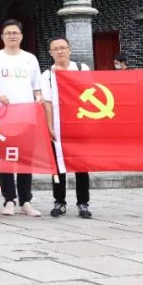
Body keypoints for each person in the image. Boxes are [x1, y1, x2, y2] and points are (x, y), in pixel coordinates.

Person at [0, 18, 43, 217]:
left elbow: (37, 88)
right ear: (2, 36)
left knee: (25, 159)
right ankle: (9, 199)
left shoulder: (30, 59)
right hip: (4, 116)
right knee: (6, 159)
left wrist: (38, 98)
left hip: (26, 117)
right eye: (8, 33)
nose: (12, 36)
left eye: (15, 33)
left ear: (21, 36)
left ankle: (25, 200)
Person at [40, 36, 92, 219]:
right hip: (58, 126)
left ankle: (83, 203)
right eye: (56, 49)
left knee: (81, 166)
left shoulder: (82, 69)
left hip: (79, 125)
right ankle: (59, 202)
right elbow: (47, 103)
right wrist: (49, 127)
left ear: (70, 49)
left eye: (63, 47)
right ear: (50, 53)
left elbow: (90, 93)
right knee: (57, 168)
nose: (60, 51)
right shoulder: (47, 75)